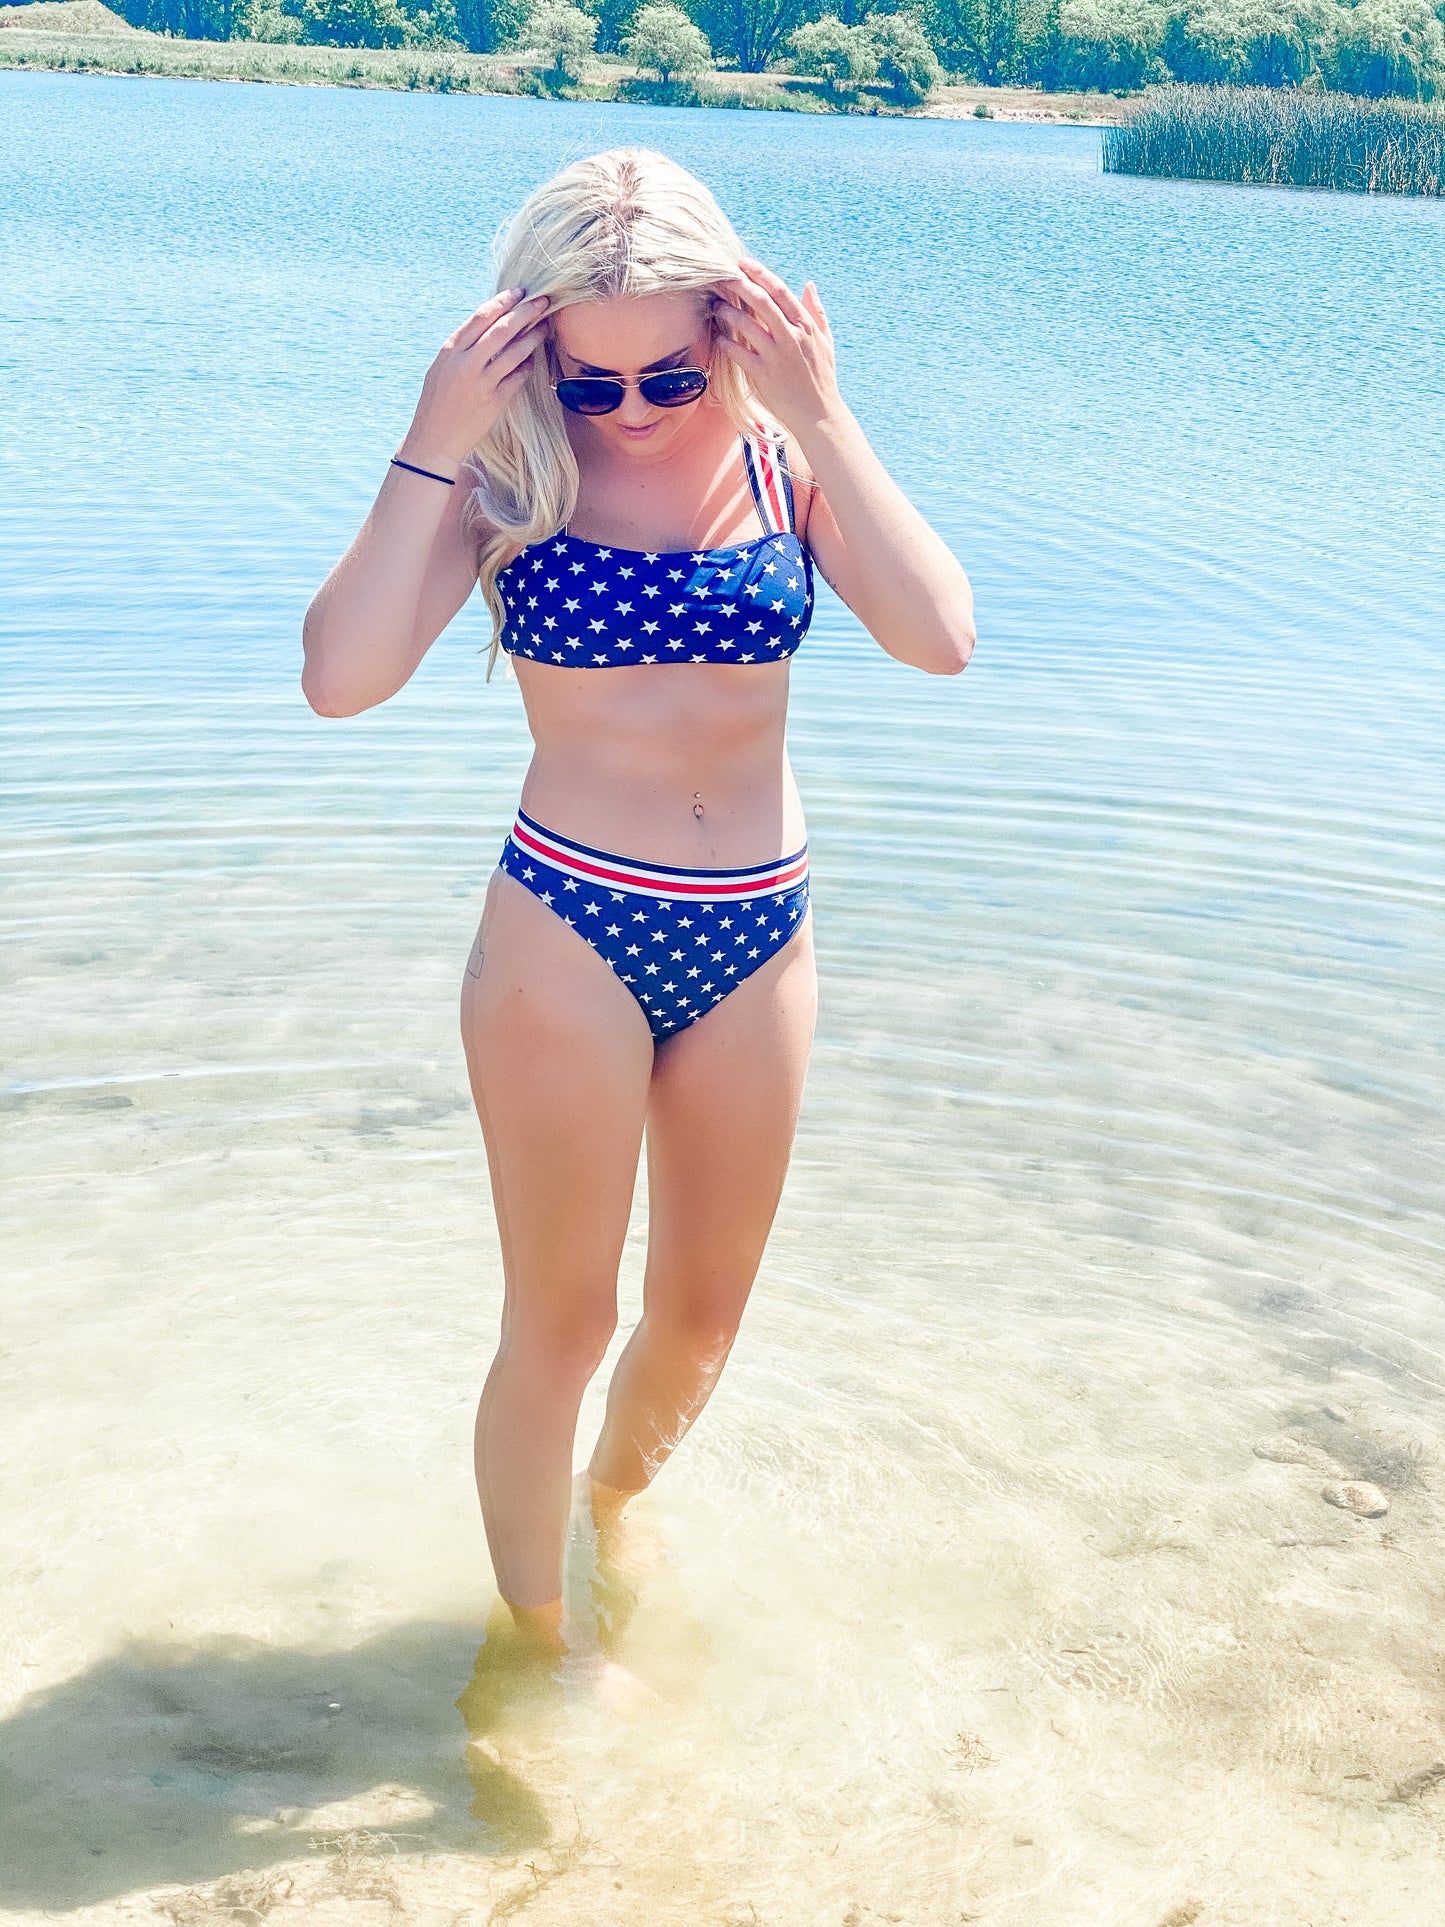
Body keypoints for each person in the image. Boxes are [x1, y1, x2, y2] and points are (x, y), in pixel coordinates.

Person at [301, 147, 974, 1666]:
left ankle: (610, 1511)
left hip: (759, 928)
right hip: (568, 934)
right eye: (586, 380)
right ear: (528, 346)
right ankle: (533, 1647)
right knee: (564, 1319)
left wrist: (819, 408)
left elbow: (940, 638)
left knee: (700, 1321)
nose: (626, 412)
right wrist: (431, 437)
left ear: (729, 328)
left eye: (664, 376)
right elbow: (339, 683)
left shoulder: (779, 467)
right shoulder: (504, 476)